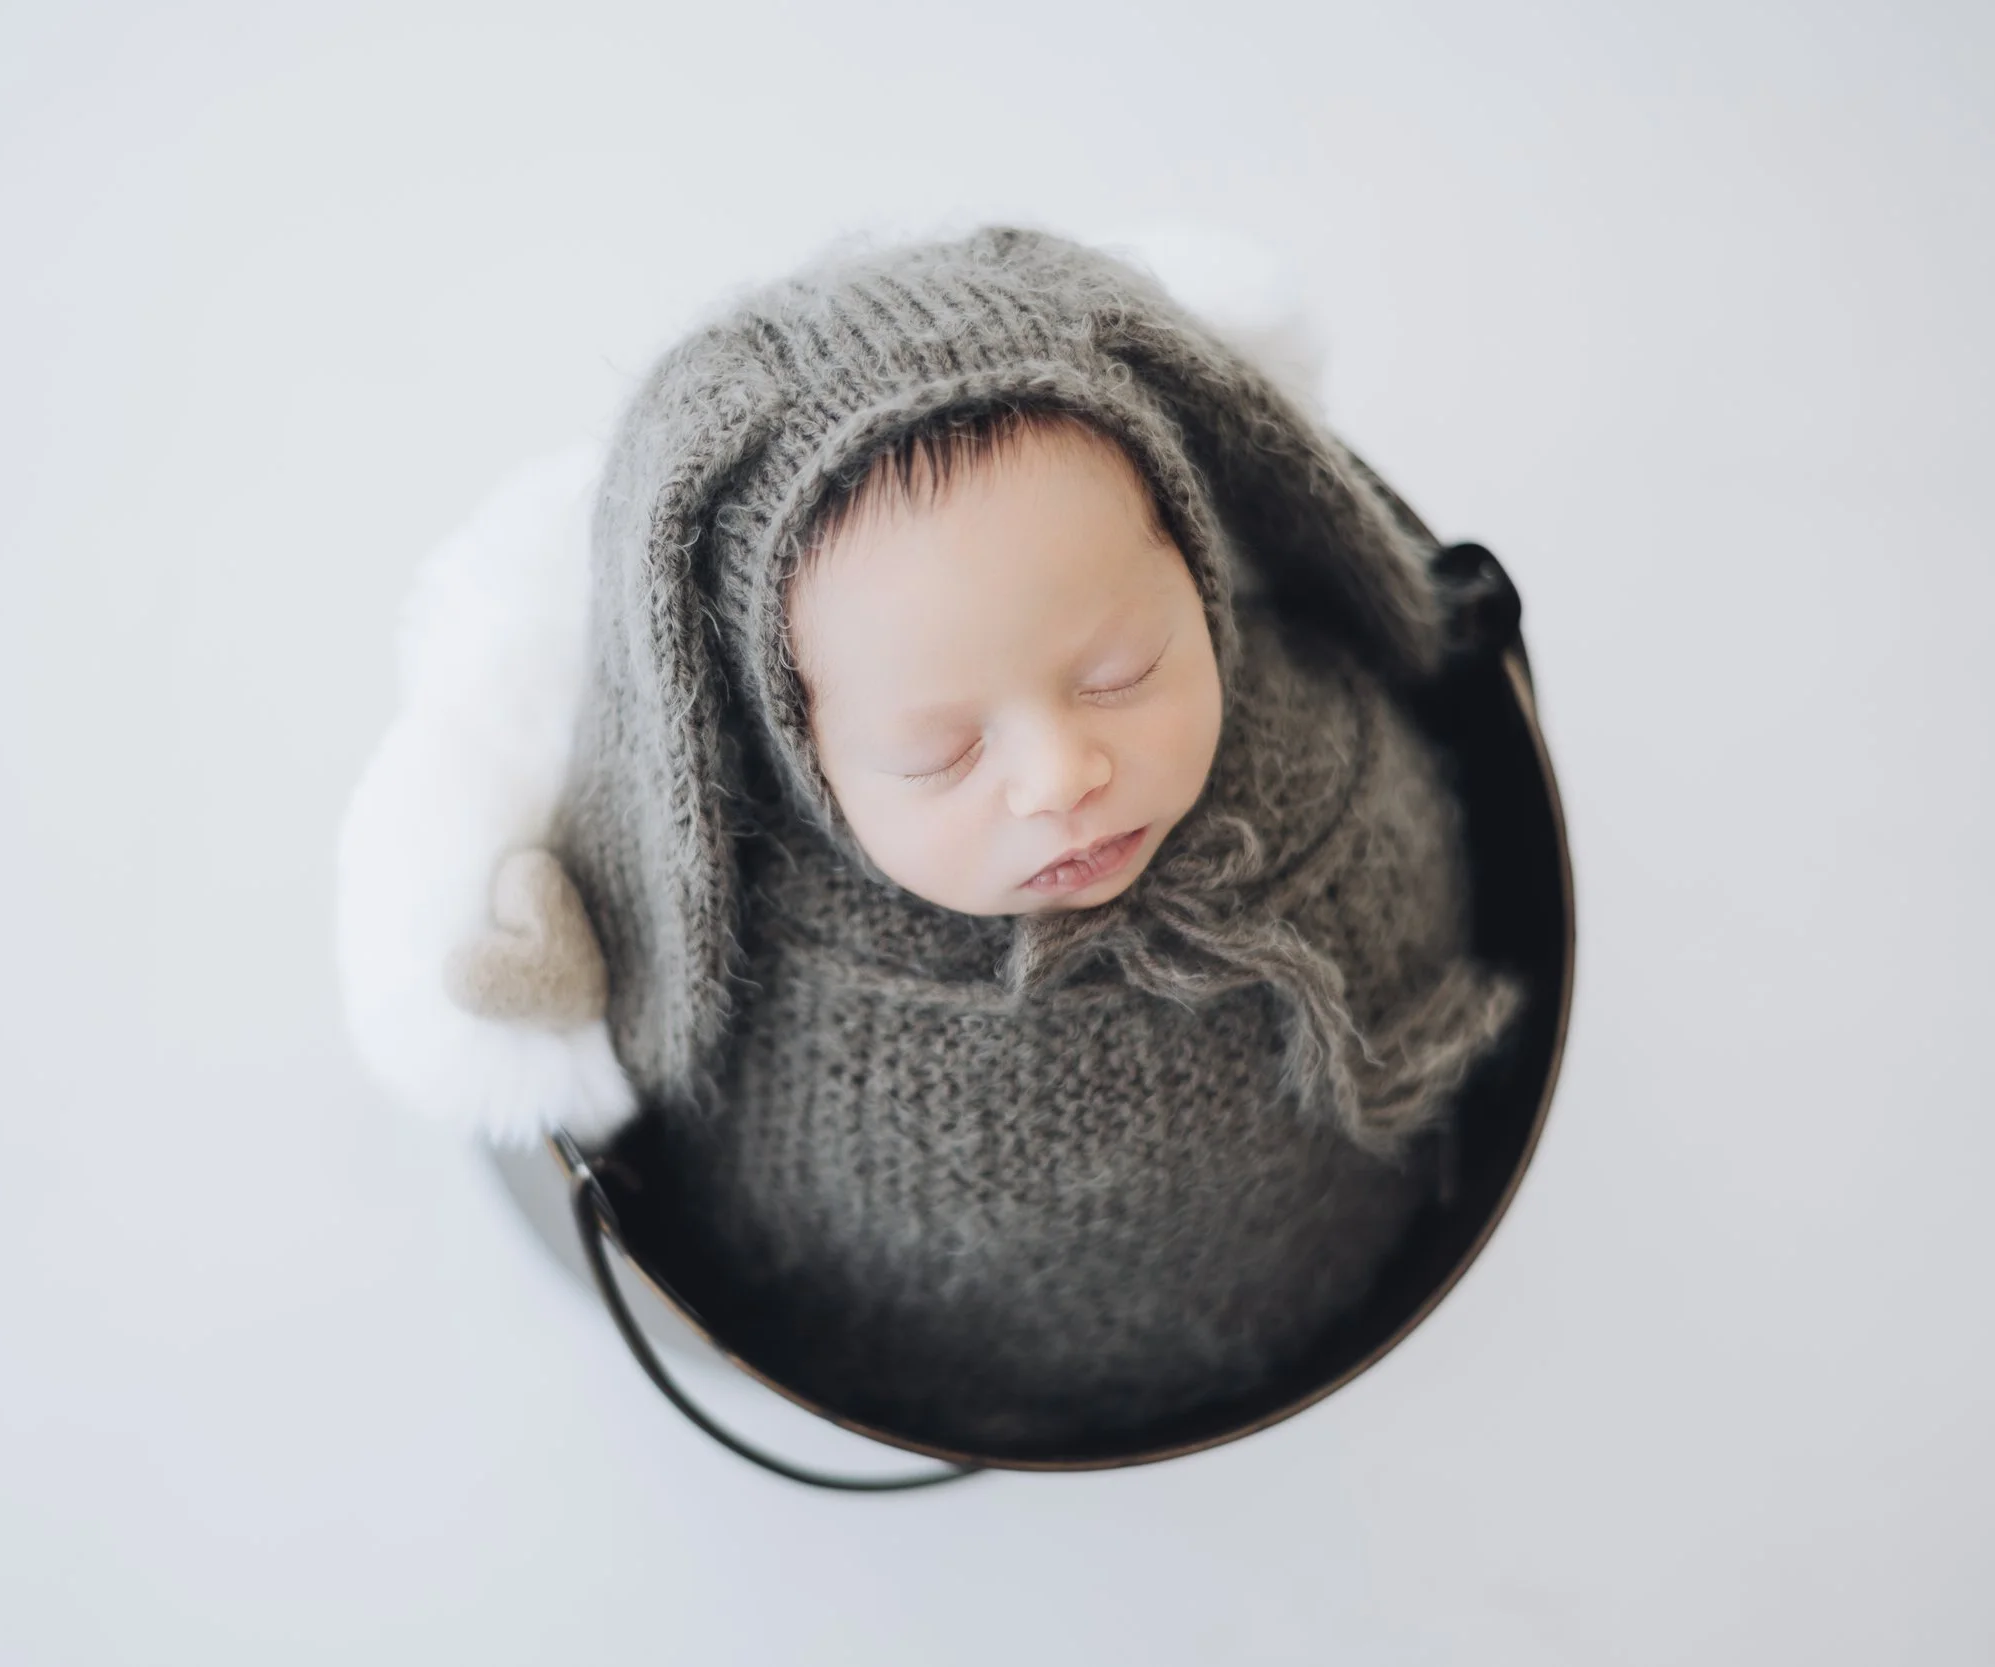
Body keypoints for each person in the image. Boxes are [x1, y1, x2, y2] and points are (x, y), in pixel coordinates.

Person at [485, 227, 1522, 1451]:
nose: (1062, 777)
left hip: (1349, 1272)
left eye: (1123, 671)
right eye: (938, 754)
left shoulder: (1328, 780)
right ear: (784, 743)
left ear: (1200, 565)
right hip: (926, 1373)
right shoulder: (773, 965)